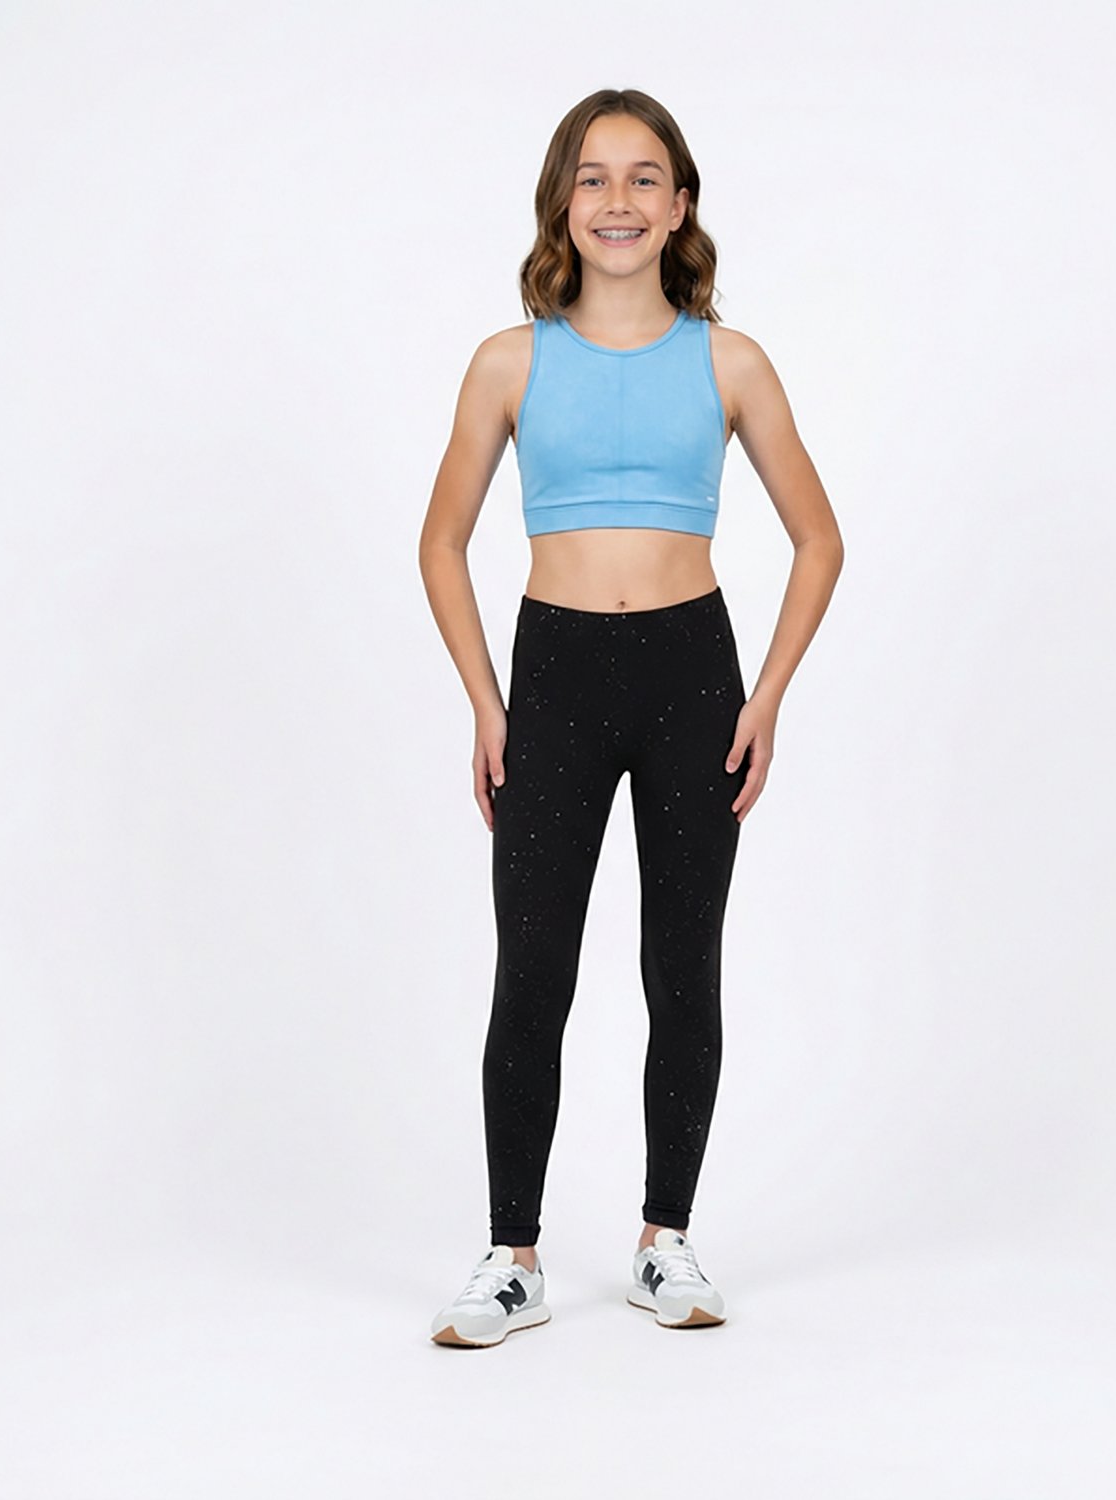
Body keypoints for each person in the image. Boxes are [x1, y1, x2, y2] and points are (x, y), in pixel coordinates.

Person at [418, 88, 843, 1347]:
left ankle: (667, 1241)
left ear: (681, 203)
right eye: (593, 178)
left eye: (644, 177)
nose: (618, 200)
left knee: (681, 965)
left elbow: (819, 539)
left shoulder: (728, 361)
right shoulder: (509, 362)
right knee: (532, 969)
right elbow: (441, 542)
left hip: (689, 677)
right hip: (551, 677)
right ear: (562, 203)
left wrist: (766, 696)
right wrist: (486, 700)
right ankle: (513, 1257)